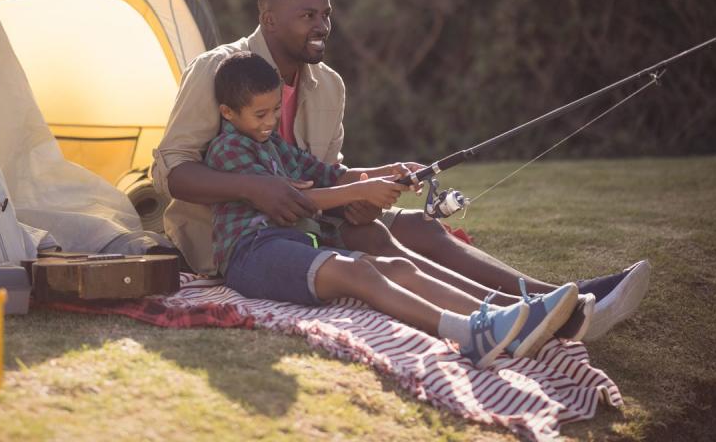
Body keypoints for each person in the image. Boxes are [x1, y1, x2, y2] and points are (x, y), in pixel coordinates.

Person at [151, 0, 650, 341]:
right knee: (377, 239)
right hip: (235, 239)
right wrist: (254, 188)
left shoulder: (329, 86)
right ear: (270, 19)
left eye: (326, 14)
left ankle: (552, 300)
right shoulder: (220, 69)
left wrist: (378, 177)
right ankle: (529, 313)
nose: (322, 25)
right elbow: (169, 171)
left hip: (311, 222)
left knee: (416, 226)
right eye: (308, 16)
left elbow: (327, 172)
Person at [204, 51, 581, 367]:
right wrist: (364, 190)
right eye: (260, 115)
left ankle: (500, 319)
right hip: (252, 254)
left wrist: (389, 172)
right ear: (228, 112)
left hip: (293, 242)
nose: (271, 122)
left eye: (274, 111)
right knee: (359, 273)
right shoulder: (229, 149)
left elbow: (325, 175)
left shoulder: (272, 144)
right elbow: (299, 200)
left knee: (394, 266)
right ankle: (467, 335)